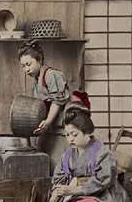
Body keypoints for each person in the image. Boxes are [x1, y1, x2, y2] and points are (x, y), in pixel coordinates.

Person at [45, 103, 132, 202]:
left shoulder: (102, 152)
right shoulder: (67, 155)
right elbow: (59, 180)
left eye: (74, 134)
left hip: (101, 197)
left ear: (88, 133)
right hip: (73, 197)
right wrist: (53, 199)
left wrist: (75, 188)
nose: (70, 139)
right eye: (67, 135)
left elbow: (103, 180)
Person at [18, 39, 90, 169]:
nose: (26, 69)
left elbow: (57, 102)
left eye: (28, 64)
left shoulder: (51, 75)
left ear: (39, 60)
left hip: (65, 125)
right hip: (52, 125)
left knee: (62, 162)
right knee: (43, 157)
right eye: (23, 66)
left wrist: (47, 122)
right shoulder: (36, 80)